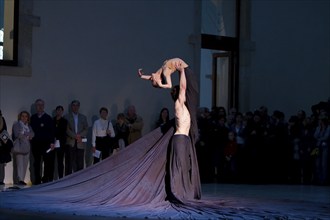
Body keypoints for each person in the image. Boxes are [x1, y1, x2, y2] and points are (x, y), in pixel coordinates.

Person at [165, 61, 201, 203]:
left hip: (184, 139)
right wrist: (181, 72)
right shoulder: (178, 104)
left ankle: (185, 191)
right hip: (179, 139)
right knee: (179, 165)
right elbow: (184, 87)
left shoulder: (185, 107)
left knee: (186, 166)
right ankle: (177, 192)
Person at [30, 99, 55, 184]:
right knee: (36, 163)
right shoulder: (33, 118)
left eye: (41, 105)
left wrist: (52, 142)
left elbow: (52, 131)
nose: (40, 107)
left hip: (46, 144)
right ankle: (37, 180)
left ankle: (45, 179)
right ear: (36, 106)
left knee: (47, 163)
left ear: (44, 106)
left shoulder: (48, 118)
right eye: (38, 105)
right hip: (35, 144)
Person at [65, 100, 89, 174]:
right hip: (70, 142)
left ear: (79, 107)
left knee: (80, 162)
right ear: (71, 107)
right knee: (69, 162)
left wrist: (79, 136)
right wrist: (75, 136)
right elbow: (67, 129)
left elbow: (86, 129)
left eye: (77, 105)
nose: (75, 107)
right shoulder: (66, 117)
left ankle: (79, 179)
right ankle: (68, 180)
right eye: (73, 105)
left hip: (80, 142)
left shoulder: (83, 117)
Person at [12, 111, 34, 185]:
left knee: (25, 164)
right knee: (19, 164)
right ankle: (19, 180)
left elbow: (32, 134)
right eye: (22, 116)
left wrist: (25, 134)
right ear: (20, 117)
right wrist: (27, 136)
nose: (24, 118)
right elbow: (17, 134)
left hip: (27, 147)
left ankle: (22, 180)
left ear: (28, 118)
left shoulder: (29, 126)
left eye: (26, 116)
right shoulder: (17, 124)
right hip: (19, 147)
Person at [53, 105, 68, 179]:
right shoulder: (52, 120)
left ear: (62, 112)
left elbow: (63, 132)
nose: (59, 112)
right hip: (52, 143)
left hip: (61, 144)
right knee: (51, 161)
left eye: (61, 110)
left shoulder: (64, 121)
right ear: (56, 111)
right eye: (58, 110)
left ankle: (61, 178)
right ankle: (51, 178)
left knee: (60, 161)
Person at [0, 110, 13, 185]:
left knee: (1, 163)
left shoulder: (2, 118)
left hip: (1, 144)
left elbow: (4, 130)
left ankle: (1, 180)